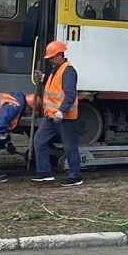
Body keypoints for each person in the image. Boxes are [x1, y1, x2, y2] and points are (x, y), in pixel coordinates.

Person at [31, 40, 83, 187]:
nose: (50, 60)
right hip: (52, 115)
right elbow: (53, 85)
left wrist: (62, 111)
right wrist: (42, 78)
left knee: (69, 147)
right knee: (39, 140)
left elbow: (70, 94)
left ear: (60, 55)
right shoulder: (57, 69)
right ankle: (45, 173)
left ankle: (75, 177)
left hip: (64, 117)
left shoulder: (68, 71)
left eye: (52, 57)